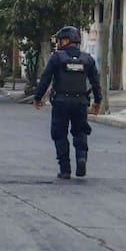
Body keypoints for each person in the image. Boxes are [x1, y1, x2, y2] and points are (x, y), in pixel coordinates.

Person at [33, 26, 102, 179]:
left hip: (61, 102)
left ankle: (65, 169)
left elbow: (45, 78)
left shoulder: (57, 58)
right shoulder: (87, 59)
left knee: (59, 134)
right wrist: (98, 101)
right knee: (80, 132)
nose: (58, 43)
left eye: (60, 40)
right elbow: (95, 82)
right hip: (80, 102)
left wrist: (38, 97)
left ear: (66, 40)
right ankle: (81, 158)